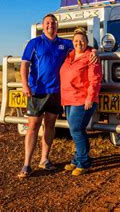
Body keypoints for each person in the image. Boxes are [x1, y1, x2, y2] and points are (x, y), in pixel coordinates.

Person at [18, 14, 98, 178]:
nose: (50, 26)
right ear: (43, 25)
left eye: (53, 23)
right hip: (37, 91)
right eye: (47, 23)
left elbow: (81, 46)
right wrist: (25, 84)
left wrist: (95, 51)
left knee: (50, 125)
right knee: (33, 126)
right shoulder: (34, 43)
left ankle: (44, 160)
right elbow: (24, 64)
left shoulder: (64, 44)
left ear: (57, 26)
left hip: (56, 93)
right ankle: (27, 164)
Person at [60, 28, 103, 176]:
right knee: (76, 130)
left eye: (82, 41)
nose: (79, 43)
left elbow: (95, 80)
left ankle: (83, 162)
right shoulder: (69, 55)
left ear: (86, 42)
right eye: (76, 41)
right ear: (72, 42)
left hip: (83, 99)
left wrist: (90, 98)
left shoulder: (90, 57)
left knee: (76, 130)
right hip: (69, 99)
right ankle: (78, 158)